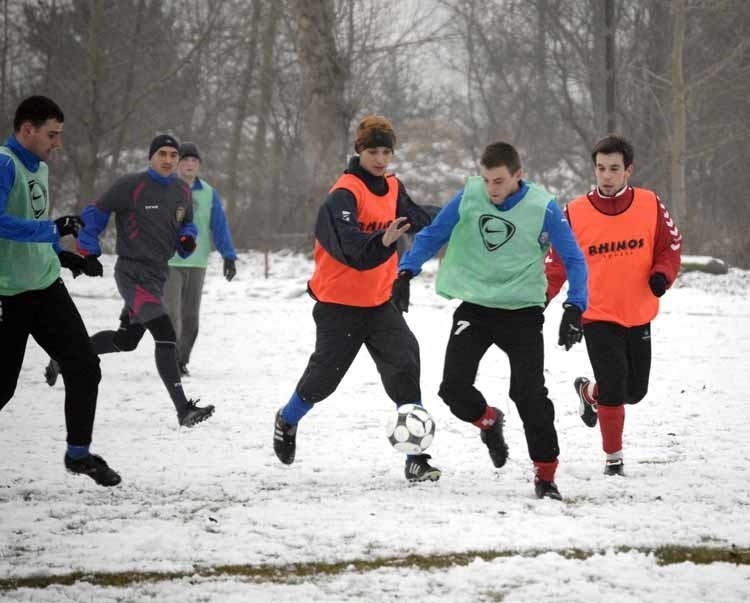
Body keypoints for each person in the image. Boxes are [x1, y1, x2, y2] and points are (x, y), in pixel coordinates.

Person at [392, 141, 588, 500]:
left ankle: (545, 477)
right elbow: (435, 232)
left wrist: (575, 306)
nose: (491, 189)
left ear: (518, 176)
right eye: (486, 180)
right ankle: (489, 422)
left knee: (528, 395)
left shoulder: (542, 207)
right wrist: (406, 271)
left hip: (523, 310)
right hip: (477, 306)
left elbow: (574, 259)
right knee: (452, 388)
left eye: (498, 181)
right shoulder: (471, 195)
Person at [273, 115, 442, 481]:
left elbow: (417, 217)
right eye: (373, 151)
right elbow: (349, 247)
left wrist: (457, 216)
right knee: (324, 380)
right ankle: (287, 419)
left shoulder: (392, 187)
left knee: (405, 362)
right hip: (338, 305)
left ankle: (415, 457)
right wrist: (382, 240)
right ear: (359, 151)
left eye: (386, 151)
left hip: (379, 304)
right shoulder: (343, 194)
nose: (380, 159)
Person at [47, 134, 215, 427]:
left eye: (173, 155)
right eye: (161, 154)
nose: (167, 160)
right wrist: (88, 249)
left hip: (157, 275)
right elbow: (95, 213)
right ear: (151, 157)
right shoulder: (130, 185)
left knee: (126, 341)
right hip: (131, 273)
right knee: (165, 332)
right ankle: (183, 410)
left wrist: (188, 237)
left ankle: (63, 358)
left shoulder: (181, 190)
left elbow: (187, 220)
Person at [0, 95, 120, 486]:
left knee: (85, 367)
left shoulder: (40, 169)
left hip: (46, 287)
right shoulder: (5, 164)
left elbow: (35, 220)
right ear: (27, 129)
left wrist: (66, 256)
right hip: (8, 294)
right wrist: (50, 230)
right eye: (52, 134)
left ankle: (78, 454)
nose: (58, 142)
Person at [545, 134, 682, 476]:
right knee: (616, 383)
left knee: (634, 391)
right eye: (601, 168)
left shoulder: (650, 203)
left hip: (638, 311)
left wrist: (661, 275)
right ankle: (613, 459)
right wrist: (539, 303)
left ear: (628, 171)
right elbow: (556, 265)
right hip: (597, 313)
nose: (606, 176)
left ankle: (589, 392)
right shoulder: (574, 213)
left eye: (614, 169)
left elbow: (670, 247)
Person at [163, 142, 238, 377]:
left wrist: (229, 256)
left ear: (199, 165)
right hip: (171, 261)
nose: (189, 164)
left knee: (190, 318)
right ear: (177, 164)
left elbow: (219, 226)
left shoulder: (208, 193)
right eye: (185, 160)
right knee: (172, 315)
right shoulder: (166, 189)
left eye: (194, 160)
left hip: (197, 262)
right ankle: (171, 362)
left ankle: (182, 360)